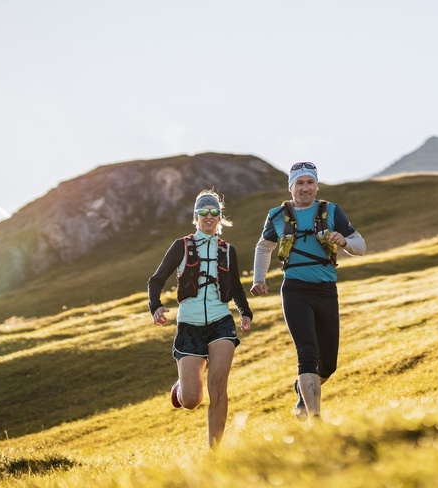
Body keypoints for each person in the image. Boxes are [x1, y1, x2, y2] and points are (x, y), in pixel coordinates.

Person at [250, 162, 366, 420]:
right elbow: (264, 247)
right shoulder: (277, 215)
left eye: (310, 182)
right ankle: (314, 418)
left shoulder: (331, 211)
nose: (305, 188)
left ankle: (302, 391)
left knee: (329, 364)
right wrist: (259, 279)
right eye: (299, 183)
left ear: (317, 185)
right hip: (295, 290)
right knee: (307, 353)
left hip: (326, 291)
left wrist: (344, 241)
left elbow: (361, 246)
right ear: (290, 187)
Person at [147, 189, 253, 448]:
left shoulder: (228, 250)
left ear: (220, 217)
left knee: (218, 387)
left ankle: (215, 454)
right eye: (203, 212)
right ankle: (182, 387)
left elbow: (237, 287)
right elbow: (156, 280)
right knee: (192, 399)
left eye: (214, 211)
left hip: (221, 322)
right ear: (195, 217)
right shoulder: (181, 246)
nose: (208, 216)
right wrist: (156, 307)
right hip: (189, 326)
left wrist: (245, 312)